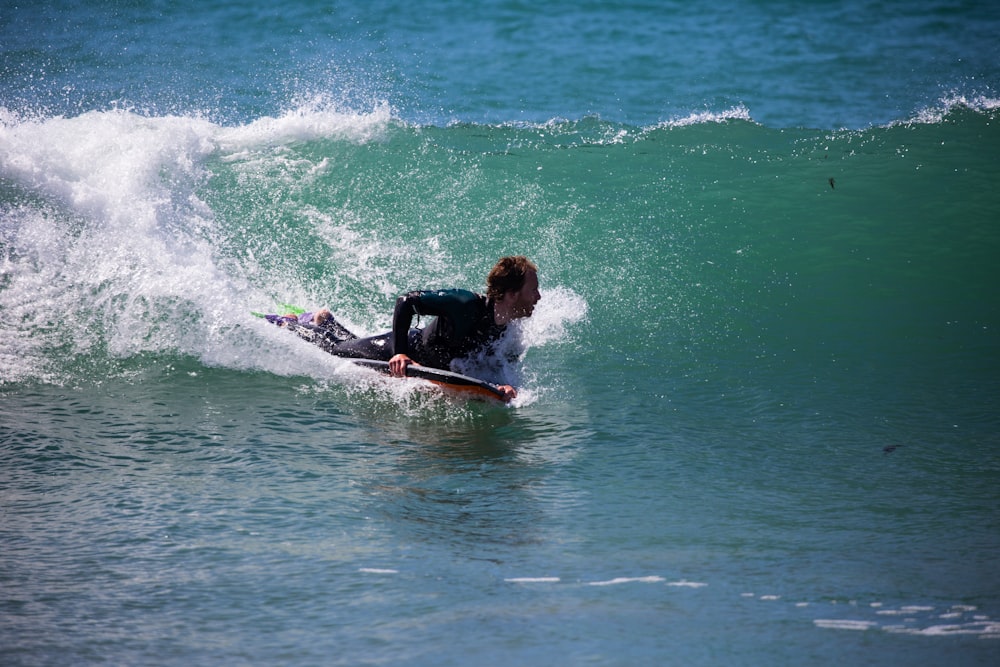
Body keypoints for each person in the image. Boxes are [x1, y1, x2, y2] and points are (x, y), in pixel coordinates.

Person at [271, 256, 540, 401]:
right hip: (404, 348)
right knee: (335, 349)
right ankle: (291, 324)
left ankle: (327, 320)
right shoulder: (465, 303)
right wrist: (399, 353)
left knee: (350, 344)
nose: (538, 297)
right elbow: (406, 301)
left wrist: (502, 387)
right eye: (533, 290)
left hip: (426, 361)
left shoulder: (510, 328)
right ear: (512, 294)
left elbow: (498, 364)